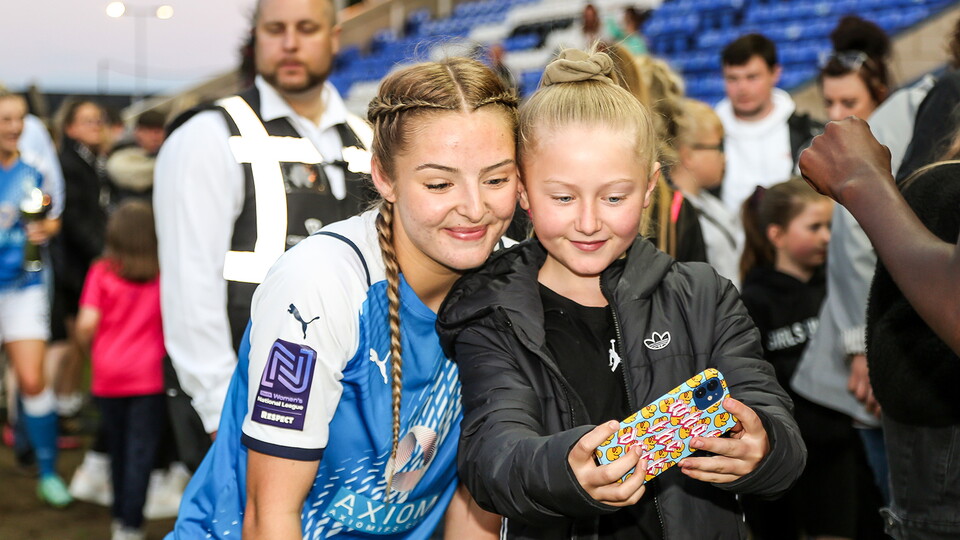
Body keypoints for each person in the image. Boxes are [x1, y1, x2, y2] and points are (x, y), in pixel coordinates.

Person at [436, 49, 805, 539]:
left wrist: (763, 446)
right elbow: (491, 456)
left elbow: (780, 434)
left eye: (614, 197)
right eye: (563, 197)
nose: (589, 222)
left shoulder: (704, 297)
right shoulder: (492, 312)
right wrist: (565, 469)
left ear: (650, 187)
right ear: (523, 190)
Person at [166, 56, 517, 539]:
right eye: (439, 183)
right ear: (384, 177)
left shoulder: (516, 280)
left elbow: (475, 501)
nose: (475, 208)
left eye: (496, 179)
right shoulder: (319, 284)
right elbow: (269, 516)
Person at [154, 0, 375, 470]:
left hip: (352, 401)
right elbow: (189, 289)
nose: (290, 43)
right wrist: (219, 410)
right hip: (244, 403)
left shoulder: (370, 139)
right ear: (256, 39)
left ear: (334, 36)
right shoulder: (208, 135)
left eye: (306, 28)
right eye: (276, 29)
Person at [75, 200, 166, 540]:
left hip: (108, 376)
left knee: (117, 448)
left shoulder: (101, 272)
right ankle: (131, 525)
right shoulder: (164, 274)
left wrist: (91, 351)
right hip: (150, 379)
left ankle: (119, 517)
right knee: (141, 453)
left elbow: (86, 324)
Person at [0, 90, 69, 507]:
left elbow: (54, 217)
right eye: (6, 119)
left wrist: (46, 229)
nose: (15, 127)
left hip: (24, 285)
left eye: (20, 118)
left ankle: (48, 472)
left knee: (31, 379)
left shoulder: (35, 167)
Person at [716, 33, 822, 216]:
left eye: (752, 77)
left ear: (775, 73)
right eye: (732, 78)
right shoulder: (708, 137)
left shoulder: (806, 131)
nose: (742, 88)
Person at [671, 98, 740, 287]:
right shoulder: (677, 217)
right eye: (718, 147)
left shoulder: (712, 204)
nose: (724, 157)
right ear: (688, 155)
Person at [105, 110, 166, 203]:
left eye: (158, 132)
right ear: (137, 132)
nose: (154, 137)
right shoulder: (121, 157)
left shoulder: (168, 154)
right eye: (148, 131)